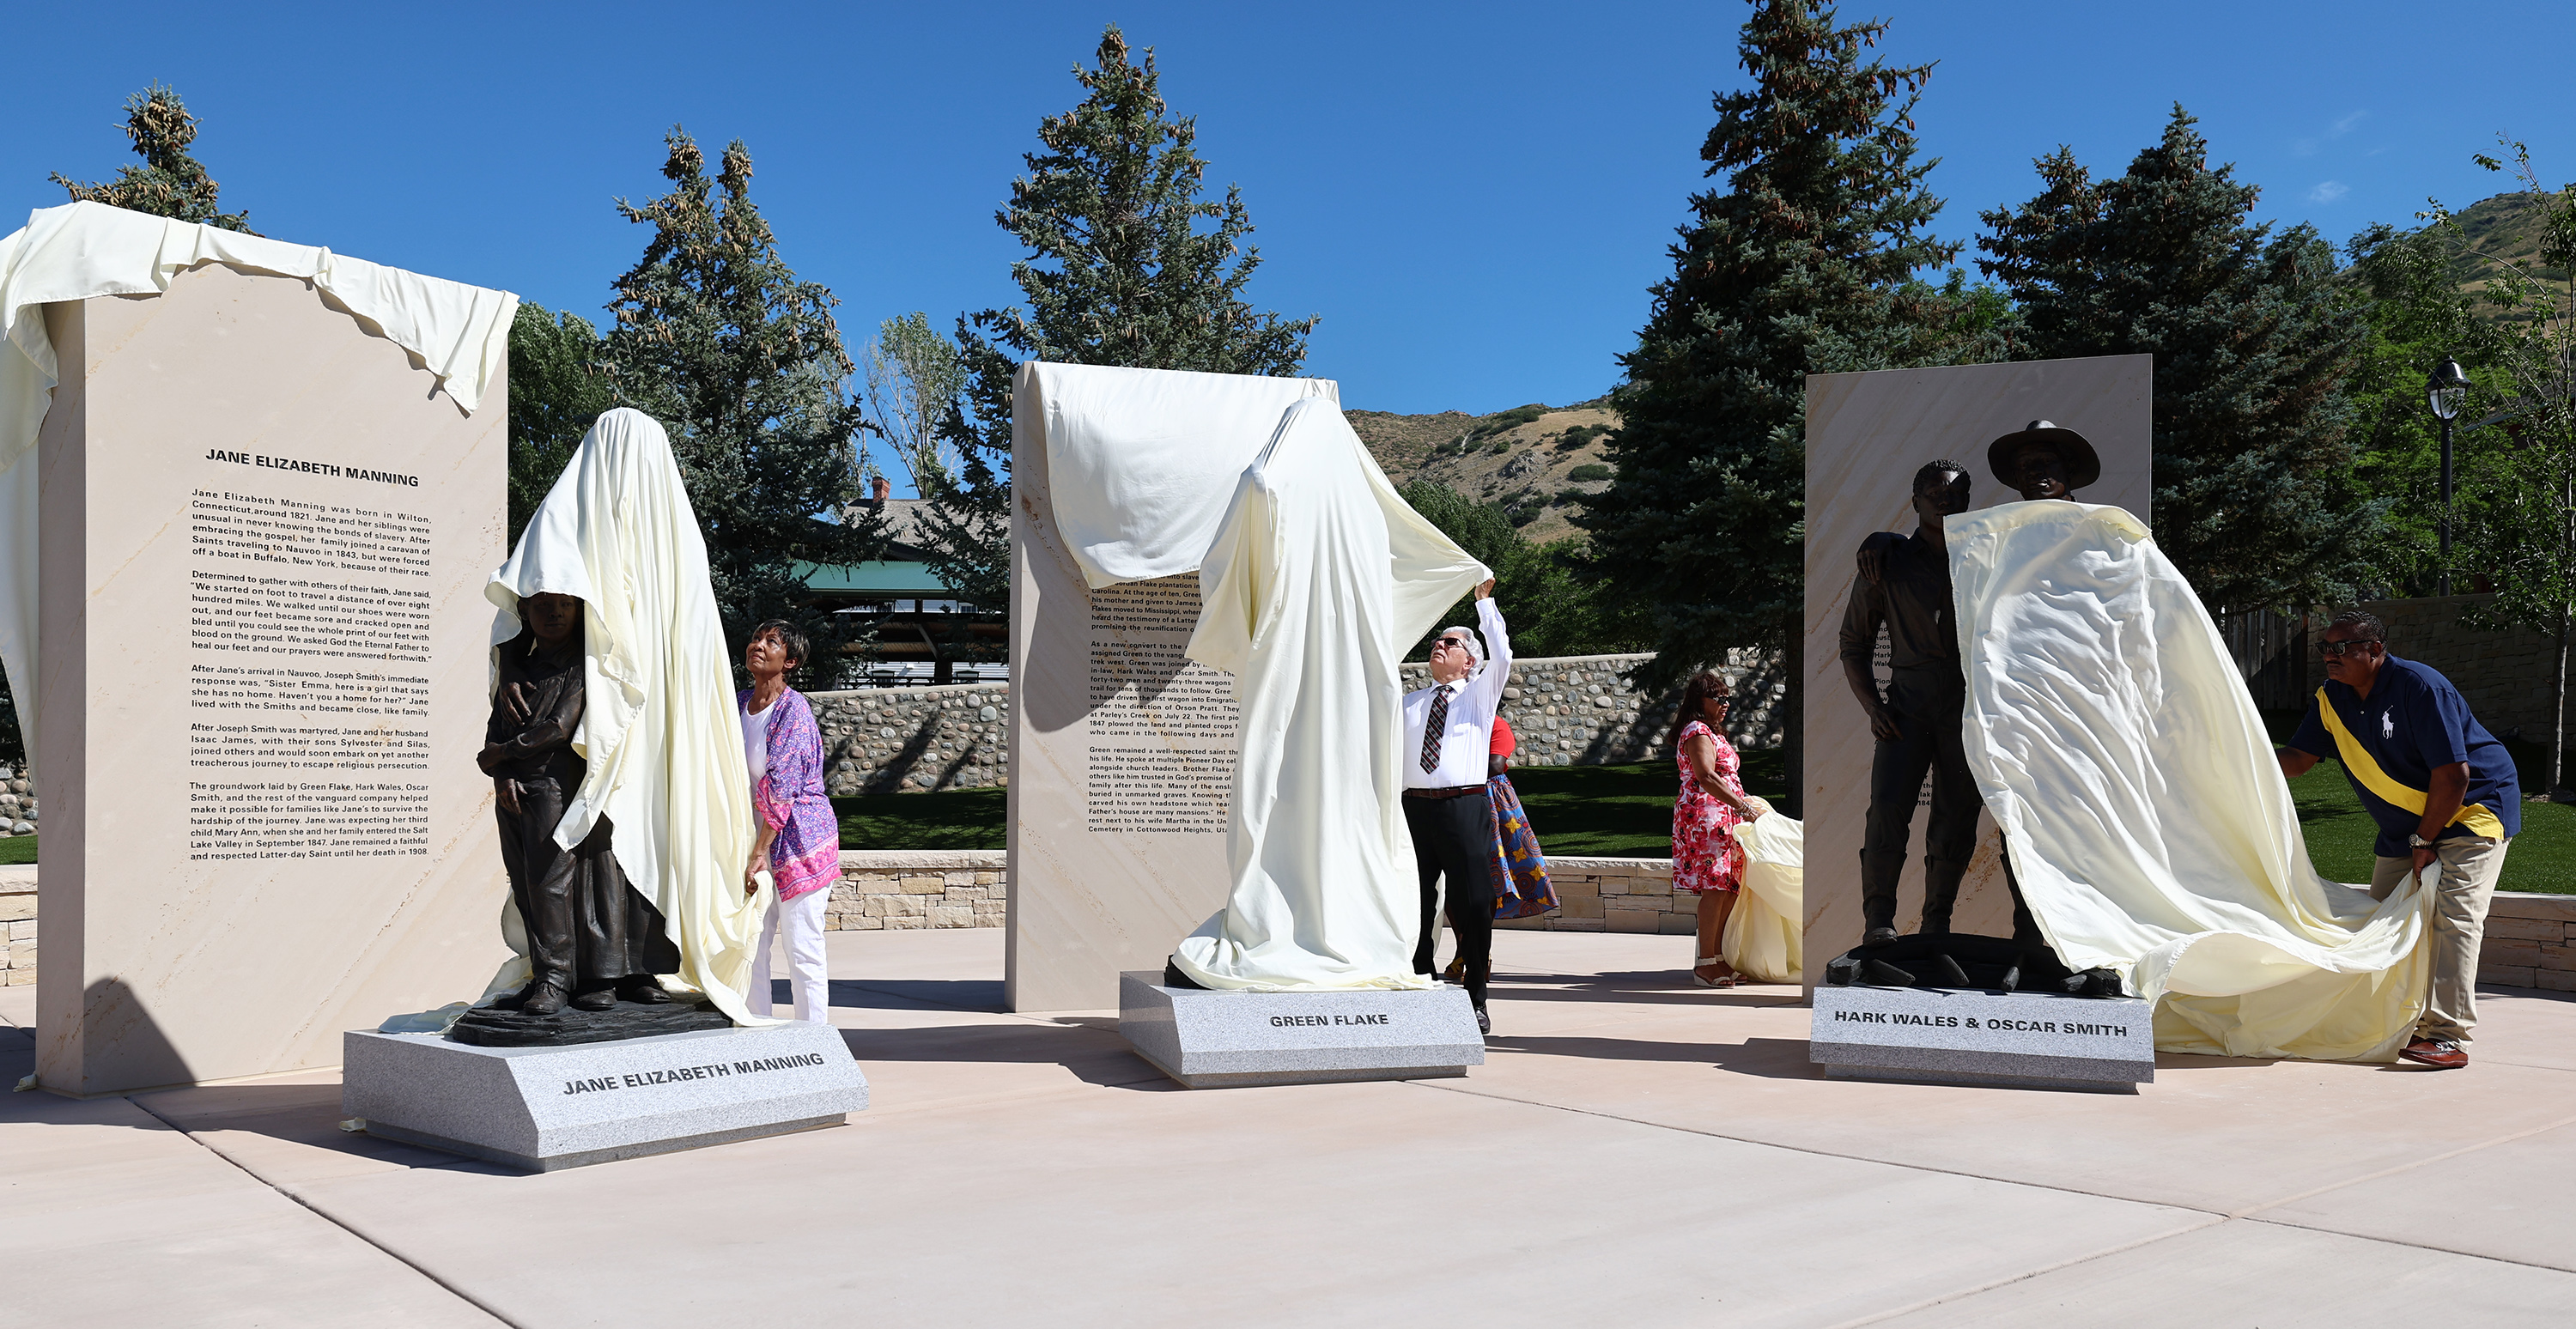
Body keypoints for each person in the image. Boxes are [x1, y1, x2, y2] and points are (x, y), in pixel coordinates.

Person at [2277, 610, 2519, 1069]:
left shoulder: (2419, 687)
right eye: (2325, 648)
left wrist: (2423, 841)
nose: (2331, 656)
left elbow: (2454, 775)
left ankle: (2447, 1035)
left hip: (2473, 809)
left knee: (2456, 916)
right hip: (2408, 826)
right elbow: (2300, 758)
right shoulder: (2332, 698)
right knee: (2382, 919)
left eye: (2343, 647)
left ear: (2375, 650)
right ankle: (2385, 1021)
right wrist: (2238, 750)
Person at [477, 590, 677, 1015]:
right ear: (525, 613)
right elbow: (494, 732)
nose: (554, 614)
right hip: (514, 792)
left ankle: (555, 979)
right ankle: (547, 974)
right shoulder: (518, 673)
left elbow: (560, 726)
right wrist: (502, 771)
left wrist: (502, 753)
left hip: (557, 787)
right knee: (527, 885)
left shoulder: (583, 665)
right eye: (543, 606)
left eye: (565, 606)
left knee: (551, 883)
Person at [1844, 459, 1978, 946]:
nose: (1945, 500)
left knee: (1957, 817)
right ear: (1915, 499)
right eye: (1934, 492)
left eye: (1956, 492)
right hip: (1906, 707)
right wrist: (1873, 706)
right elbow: (1853, 643)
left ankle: (1937, 920)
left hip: (1967, 709)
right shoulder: (1885, 560)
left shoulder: (1984, 557)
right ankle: (1878, 920)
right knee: (1886, 811)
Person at [1402, 580, 1510, 1033]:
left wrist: (1484, 605)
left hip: (1464, 808)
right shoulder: (1408, 704)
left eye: (1449, 642)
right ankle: (1419, 975)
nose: (1438, 647)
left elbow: (1501, 655)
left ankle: (1476, 998)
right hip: (1413, 811)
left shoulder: (1478, 697)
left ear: (1469, 660)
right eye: (1434, 642)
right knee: (1414, 900)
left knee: (1474, 901)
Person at [739, 620, 841, 1024]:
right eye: (756, 638)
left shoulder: (792, 711)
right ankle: (754, 1033)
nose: (758, 645)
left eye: (772, 642)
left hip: (800, 844)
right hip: (756, 841)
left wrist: (758, 853)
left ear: (791, 661)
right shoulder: (740, 702)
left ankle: (815, 1045)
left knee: (802, 950)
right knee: (750, 945)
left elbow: (782, 789)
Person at [1673, 670, 1769, 986]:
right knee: (1715, 887)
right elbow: (1707, 776)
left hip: (1727, 817)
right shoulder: (1696, 730)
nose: (1726, 703)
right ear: (1700, 701)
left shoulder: (1713, 732)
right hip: (1707, 817)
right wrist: (1743, 807)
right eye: (1719, 697)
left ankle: (1719, 958)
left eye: (1728, 698)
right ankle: (1705, 963)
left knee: (1728, 887)